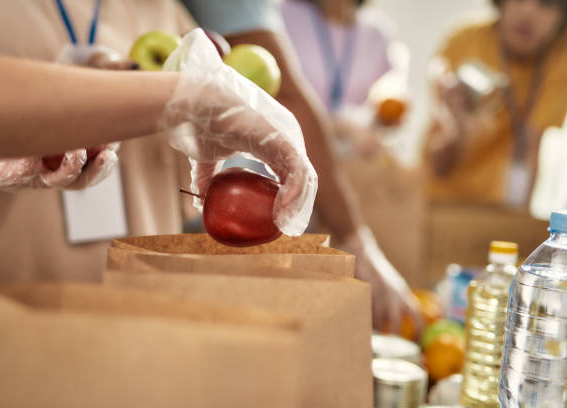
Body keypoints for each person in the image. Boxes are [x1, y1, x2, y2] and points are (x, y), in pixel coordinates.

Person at [0, 1, 315, 300]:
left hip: (140, 327)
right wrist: (188, 96)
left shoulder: (160, 11)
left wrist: (116, 100)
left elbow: (191, 184)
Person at [182, 0, 422, 333]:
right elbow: (288, 96)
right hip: (226, 193)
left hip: (270, 192)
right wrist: (357, 241)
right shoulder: (287, 13)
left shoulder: (376, 33)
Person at [424, 0, 567, 207]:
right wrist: (458, 125)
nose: (527, 12)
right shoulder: (465, 40)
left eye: (545, 4)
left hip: (496, 207)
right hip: (436, 198)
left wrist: (516, 223)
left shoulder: (560, 60)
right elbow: (439, 166)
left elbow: (530, 148)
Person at [281, 0, 409, 157]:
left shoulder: (377, 33)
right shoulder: (283, 17)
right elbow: (274, 102)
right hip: (290, 154)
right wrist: (340, 126)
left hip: (350, 160)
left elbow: (391, 93)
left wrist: (382, 118)